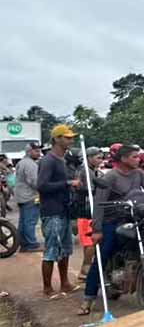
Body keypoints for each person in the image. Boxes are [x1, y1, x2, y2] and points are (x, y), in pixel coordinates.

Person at [80, 144, 144, 315]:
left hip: (134, 216)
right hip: (113, 220)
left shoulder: (138, 173)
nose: (138, 159)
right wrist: (97, 229)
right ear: (124, 159)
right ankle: (88, 298)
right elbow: (98, 203)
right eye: (134, 156)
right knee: (103, 253)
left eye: (138, 156)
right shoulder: (111, 177)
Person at [37, 125, 81, 297]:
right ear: (57, 139)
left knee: (65, 249)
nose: (71, 140)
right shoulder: (48, 161)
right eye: (67, 137)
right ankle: (47, 288)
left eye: (71, 138)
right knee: (51, 250)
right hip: (52, 211)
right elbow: (41, 185)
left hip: (63, 209)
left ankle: (65, 283)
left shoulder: (62, 160)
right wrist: (68, 184)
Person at [74, 147, 104, 281]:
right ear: (89, 158)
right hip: (85, 211)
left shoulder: (93, 171)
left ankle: (86, 269)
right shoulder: (85, 171)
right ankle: (85, 271)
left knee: (91, 243)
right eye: (98, 158)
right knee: (90, 243)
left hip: (89, 210)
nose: (100, 160)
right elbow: (90, 190)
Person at [13, 142, 42, 252]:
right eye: (36, 151)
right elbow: (35, 182)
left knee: (24, 221)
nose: (39, 153)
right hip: (29, 196)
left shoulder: (22, 162)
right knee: (30, 221)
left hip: (22, 196)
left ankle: (23, 243)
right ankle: (31, 244)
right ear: (29, 151)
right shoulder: (30, 164)